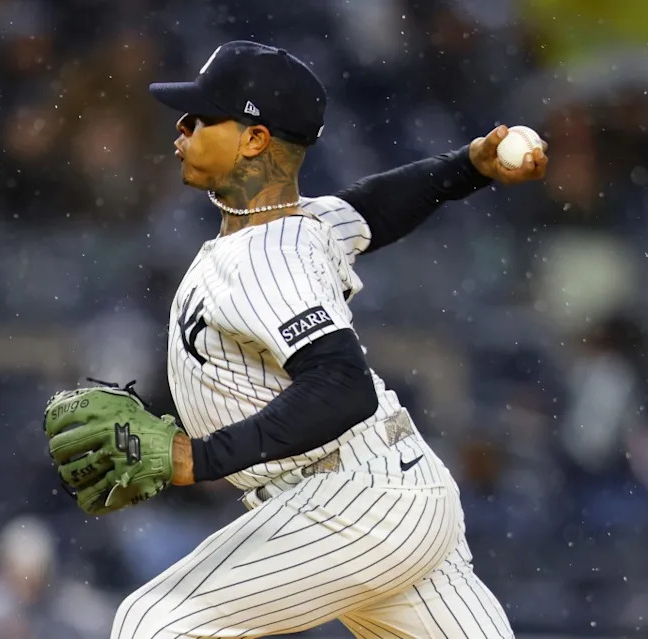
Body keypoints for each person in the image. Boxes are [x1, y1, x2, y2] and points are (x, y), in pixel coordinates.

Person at [50, 40, 547, 638]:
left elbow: (343, 387)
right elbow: (374, 208)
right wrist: (468, 166)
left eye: (202, 118)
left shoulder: (267, 257)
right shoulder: (299, 226)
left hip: (351, 506)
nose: (181, 128)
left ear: (255, 139)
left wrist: (195, 459)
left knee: (156, 622)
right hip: (395, 490)